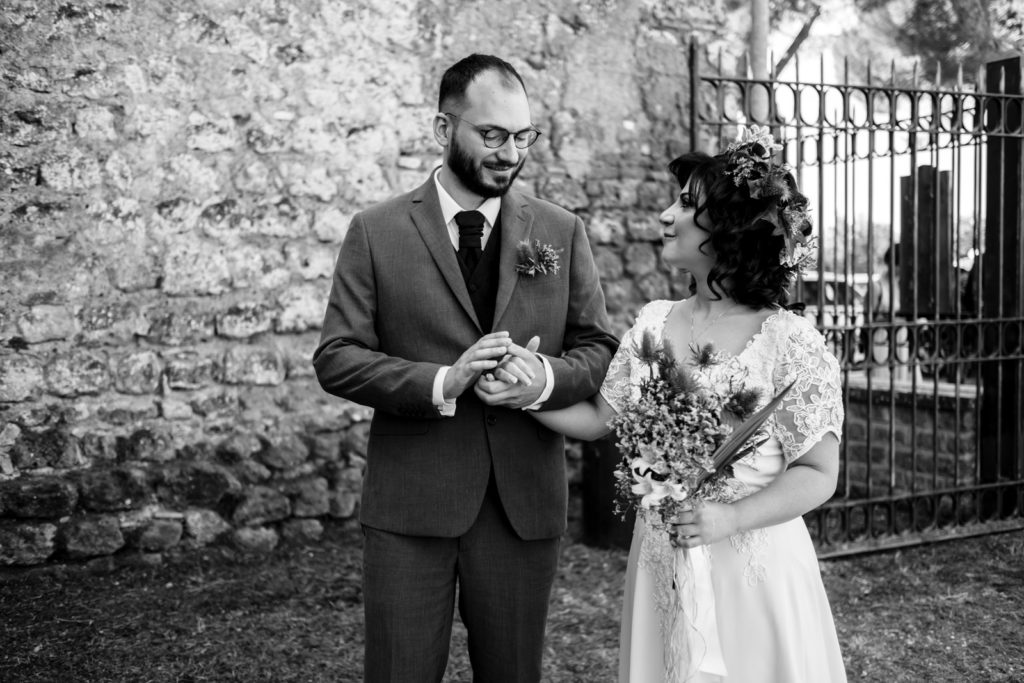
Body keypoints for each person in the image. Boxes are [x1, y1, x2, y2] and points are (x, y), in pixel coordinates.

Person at [494, 127, 847, 681]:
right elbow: (596, 420)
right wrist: (528, 393)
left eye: (685, 204)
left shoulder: (791, 341)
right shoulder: (655, 321)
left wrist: (728, 517)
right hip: (662, 556)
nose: (664, 215)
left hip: (752, 568)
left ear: (730, 229)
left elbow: (819, 472)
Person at [312, 53, 618, 683]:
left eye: (523, 136)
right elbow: (337, 357)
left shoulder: (561, 232)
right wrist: (440, 382)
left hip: (521, 506)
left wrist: (542, 382)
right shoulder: (375, 231)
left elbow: (600, 351)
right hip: (410, 507)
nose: (511, 153)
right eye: (492, 135)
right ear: (441, 128)